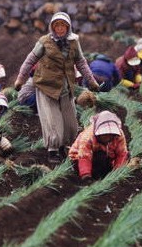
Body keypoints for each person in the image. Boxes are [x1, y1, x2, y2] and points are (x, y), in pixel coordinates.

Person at [14, 11, 100, 164]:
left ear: (68, 27)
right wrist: (20, 79)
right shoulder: (44, 41)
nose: (60, 28)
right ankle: (52, 150)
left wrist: (92, 81)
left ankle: (63, 146)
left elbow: (81, 62)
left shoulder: (74, 41)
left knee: (70, 122)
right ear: (52, 27)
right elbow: (30, 60)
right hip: (47, 86)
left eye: (63, 25)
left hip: (66, 87)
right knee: (53, 120)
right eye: (57, 25)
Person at [68, 110, 129, 180]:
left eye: (110, 135)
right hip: (79, 158)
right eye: (105, 135)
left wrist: (117, 173)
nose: (108, 137)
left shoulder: (119, 135)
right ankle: (95, 176)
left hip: (106, 156)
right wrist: (86, 175)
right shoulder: (88, 137)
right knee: (100, 156)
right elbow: (84, 157)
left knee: (125, 157)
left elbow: (121, 154)